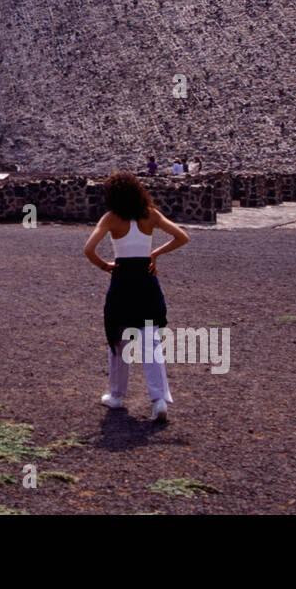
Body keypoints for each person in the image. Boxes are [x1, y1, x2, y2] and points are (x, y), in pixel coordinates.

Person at [83, 171, 190, 422]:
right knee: (150, 341)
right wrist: (155, 254)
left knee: (118, 339)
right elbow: (182, 237)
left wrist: (104, 266)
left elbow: (88, 249)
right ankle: (160, 399)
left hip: (122, 280)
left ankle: (117, 395)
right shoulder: (150, 214)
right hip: (146, 279)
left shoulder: (111, 218)